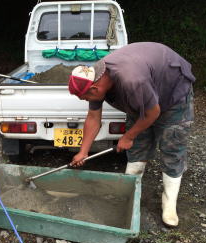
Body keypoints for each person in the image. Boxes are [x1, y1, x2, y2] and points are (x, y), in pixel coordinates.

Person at [68, 42, 195, 227]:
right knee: (137, 146)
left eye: (84, 97)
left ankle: (169, 204)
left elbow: (153, 113)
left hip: (172, 94)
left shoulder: (131, 80)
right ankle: (130, 192)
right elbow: (93, 117)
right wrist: (83, 151)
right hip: (143, 94)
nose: (85, 101)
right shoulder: (96, 77)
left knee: (172, 147)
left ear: (94, 89)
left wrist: (128, 136)